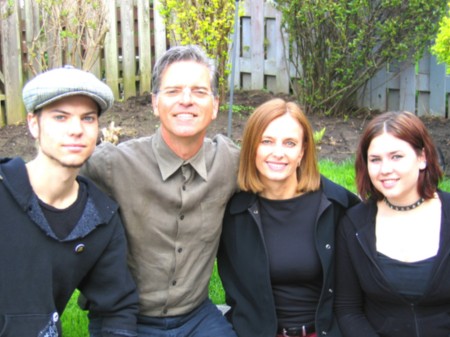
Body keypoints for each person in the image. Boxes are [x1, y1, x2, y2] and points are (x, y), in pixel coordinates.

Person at [80, 45, 240, 336]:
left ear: (215, 105)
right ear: (155, 103)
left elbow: (280, 175)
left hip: (198, 317)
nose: (187, 100)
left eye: (199, 92)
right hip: (126, 317)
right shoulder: (113, 165)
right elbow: (49, 180)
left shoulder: (228, 162)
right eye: (173, 91)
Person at [0, 66, 139, 337]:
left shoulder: (100, 218)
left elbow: (117, 307)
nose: (76, 130)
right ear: (33, 123)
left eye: (87, 118)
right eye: (61, 117)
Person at [217, 98, 360, 337]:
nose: (278, 153)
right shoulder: (232, 212)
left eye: (290, 143)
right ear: (252, 147)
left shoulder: (336, 205)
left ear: (302, 151)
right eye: (267, 141)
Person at [334, 111, 449, 337]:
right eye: (375, 159)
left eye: (396, 156)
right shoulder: (354, 225)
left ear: (422, 157)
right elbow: (347, 309)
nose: (385, 169)